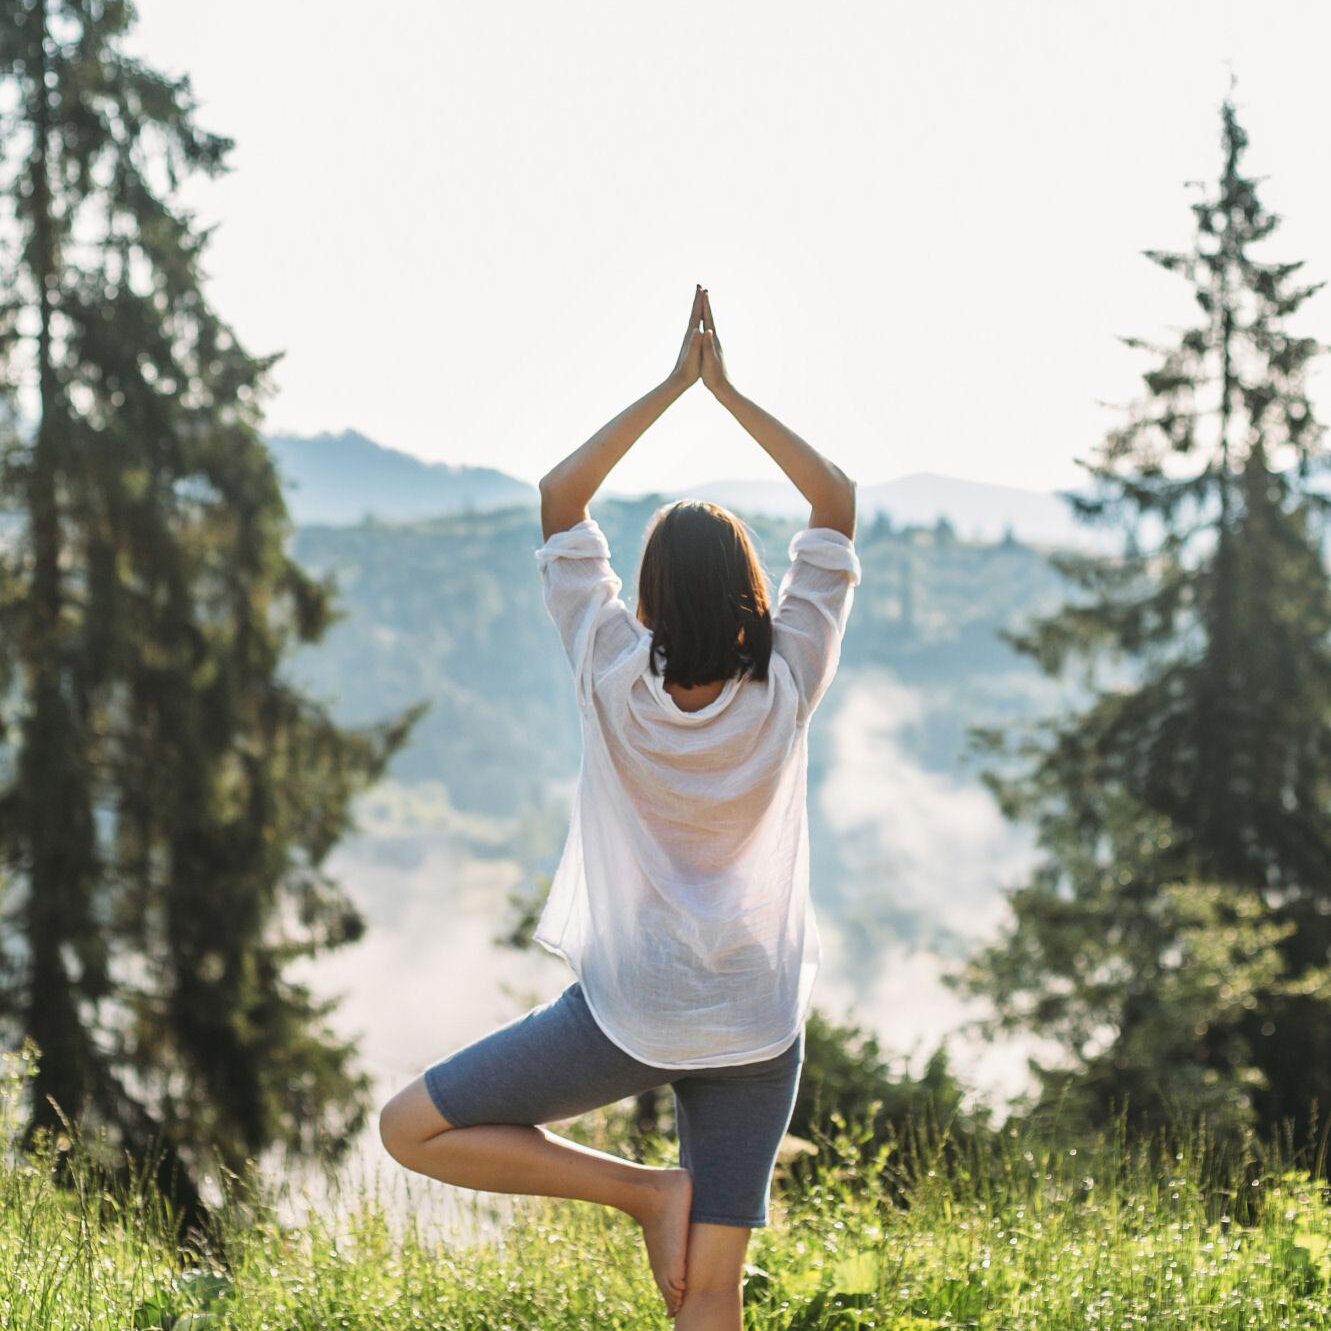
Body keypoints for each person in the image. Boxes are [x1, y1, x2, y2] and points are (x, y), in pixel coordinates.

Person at [379, 285, 861, 1329]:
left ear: (643, 599)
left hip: (626, 1008)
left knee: (407, 1126)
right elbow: (834, 502)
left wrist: (669, 386)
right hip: (752, 1015)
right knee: (714, 1294)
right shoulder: (788, 683)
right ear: (751, 594)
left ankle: (640, 1189)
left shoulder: (607, 667)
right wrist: (726, 392)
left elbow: (560, 494)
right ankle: (654, 1192)